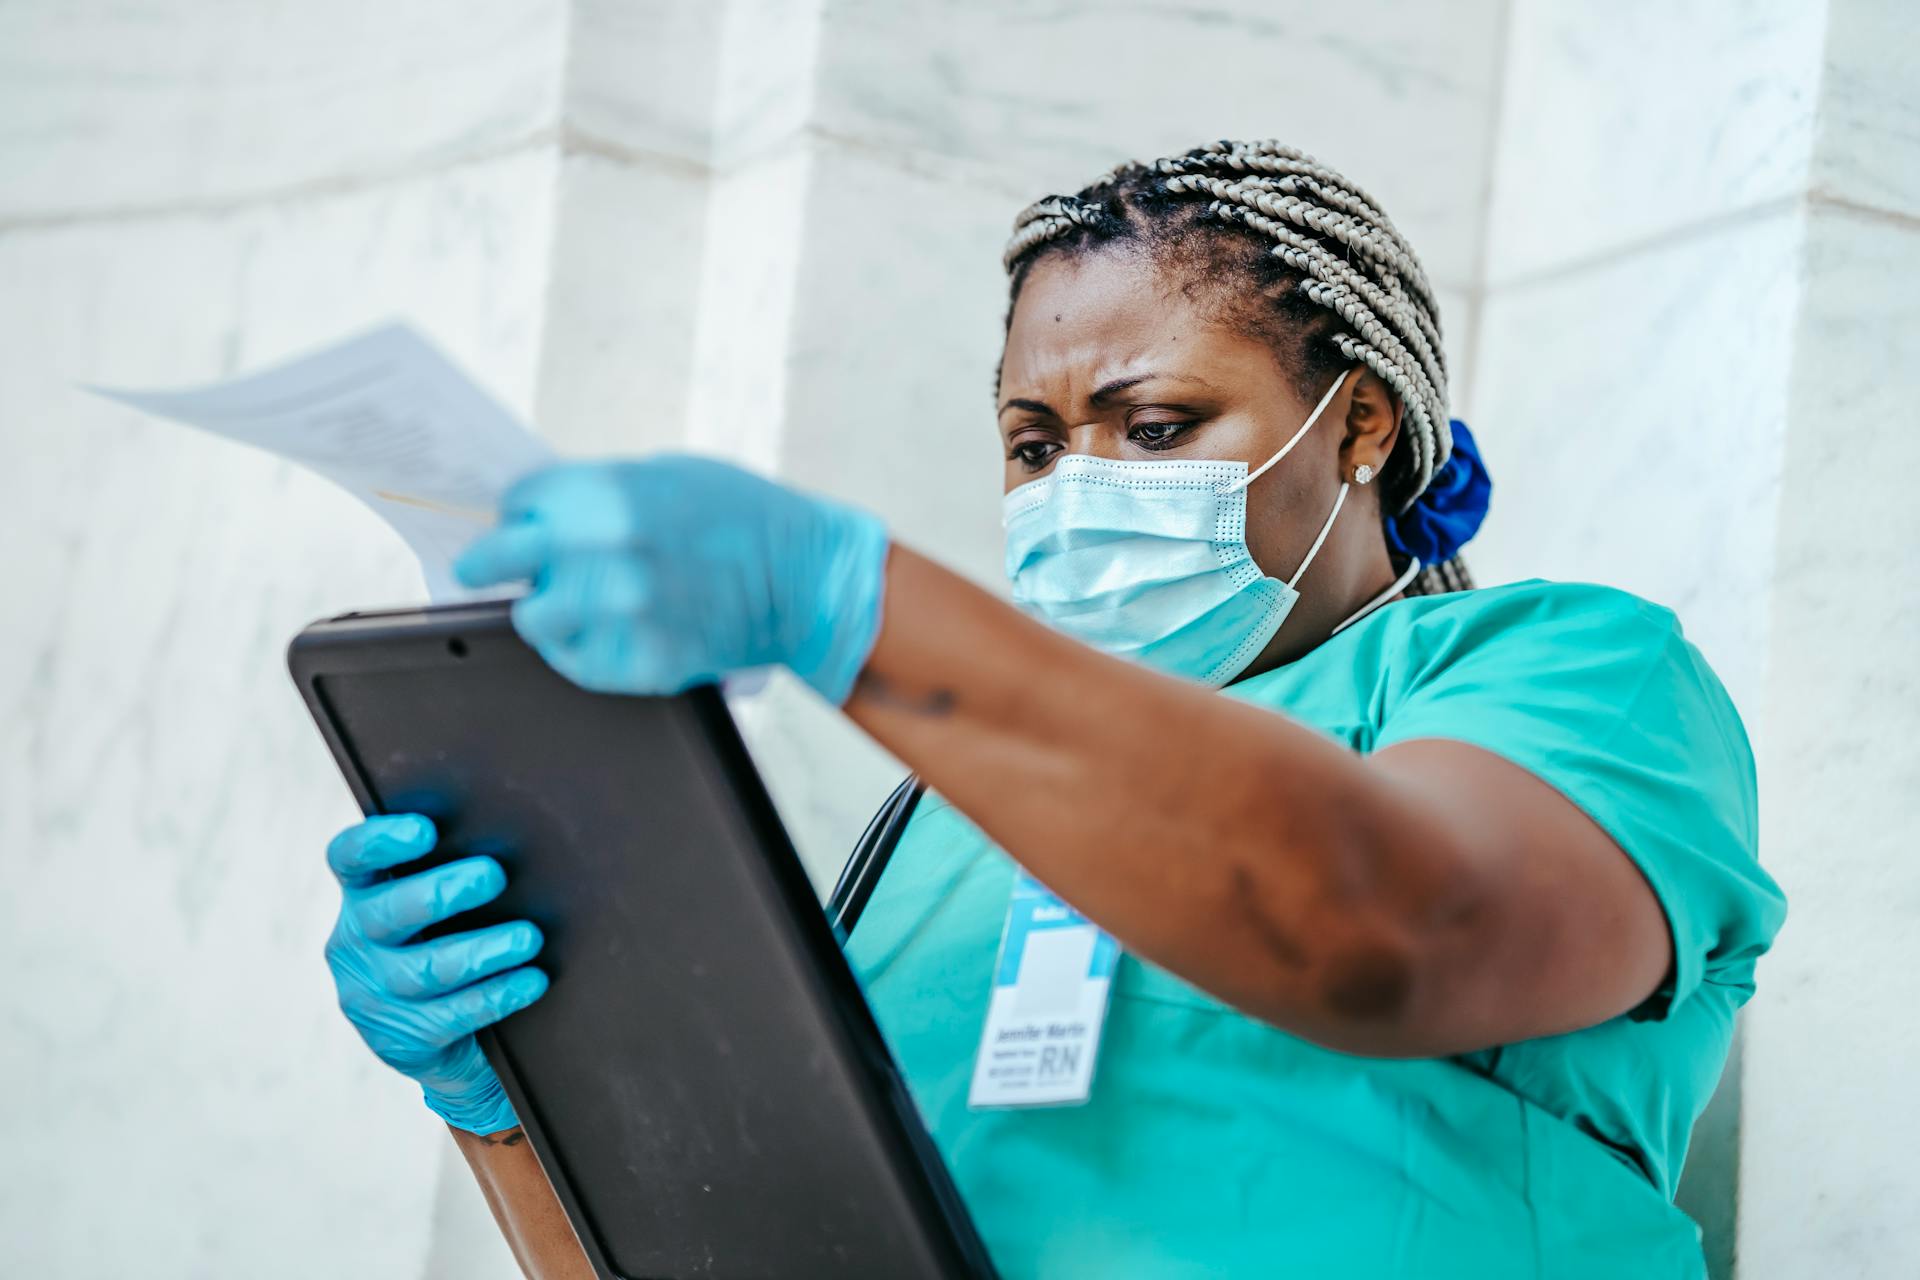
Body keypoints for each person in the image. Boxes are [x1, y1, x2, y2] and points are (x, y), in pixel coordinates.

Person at [321, 140, 1785, 1278]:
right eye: (1034, 444)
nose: (1082, 487)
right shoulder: (937, 818)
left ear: (1360, 423)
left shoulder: (1567, 669)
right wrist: (507, 1092)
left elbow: (1393, 936)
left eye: (1154, 428)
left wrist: (847, 600)